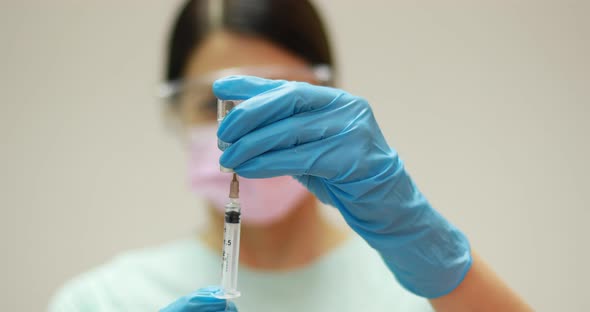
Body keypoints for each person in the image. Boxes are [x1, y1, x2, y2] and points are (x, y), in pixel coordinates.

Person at [49, 1, 532, 311]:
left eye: (275, 103)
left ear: (328, 100)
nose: (244, 131)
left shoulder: (425, 296)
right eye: (211, 106)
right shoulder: (102, 300)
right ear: (173, 113)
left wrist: (442, 263)